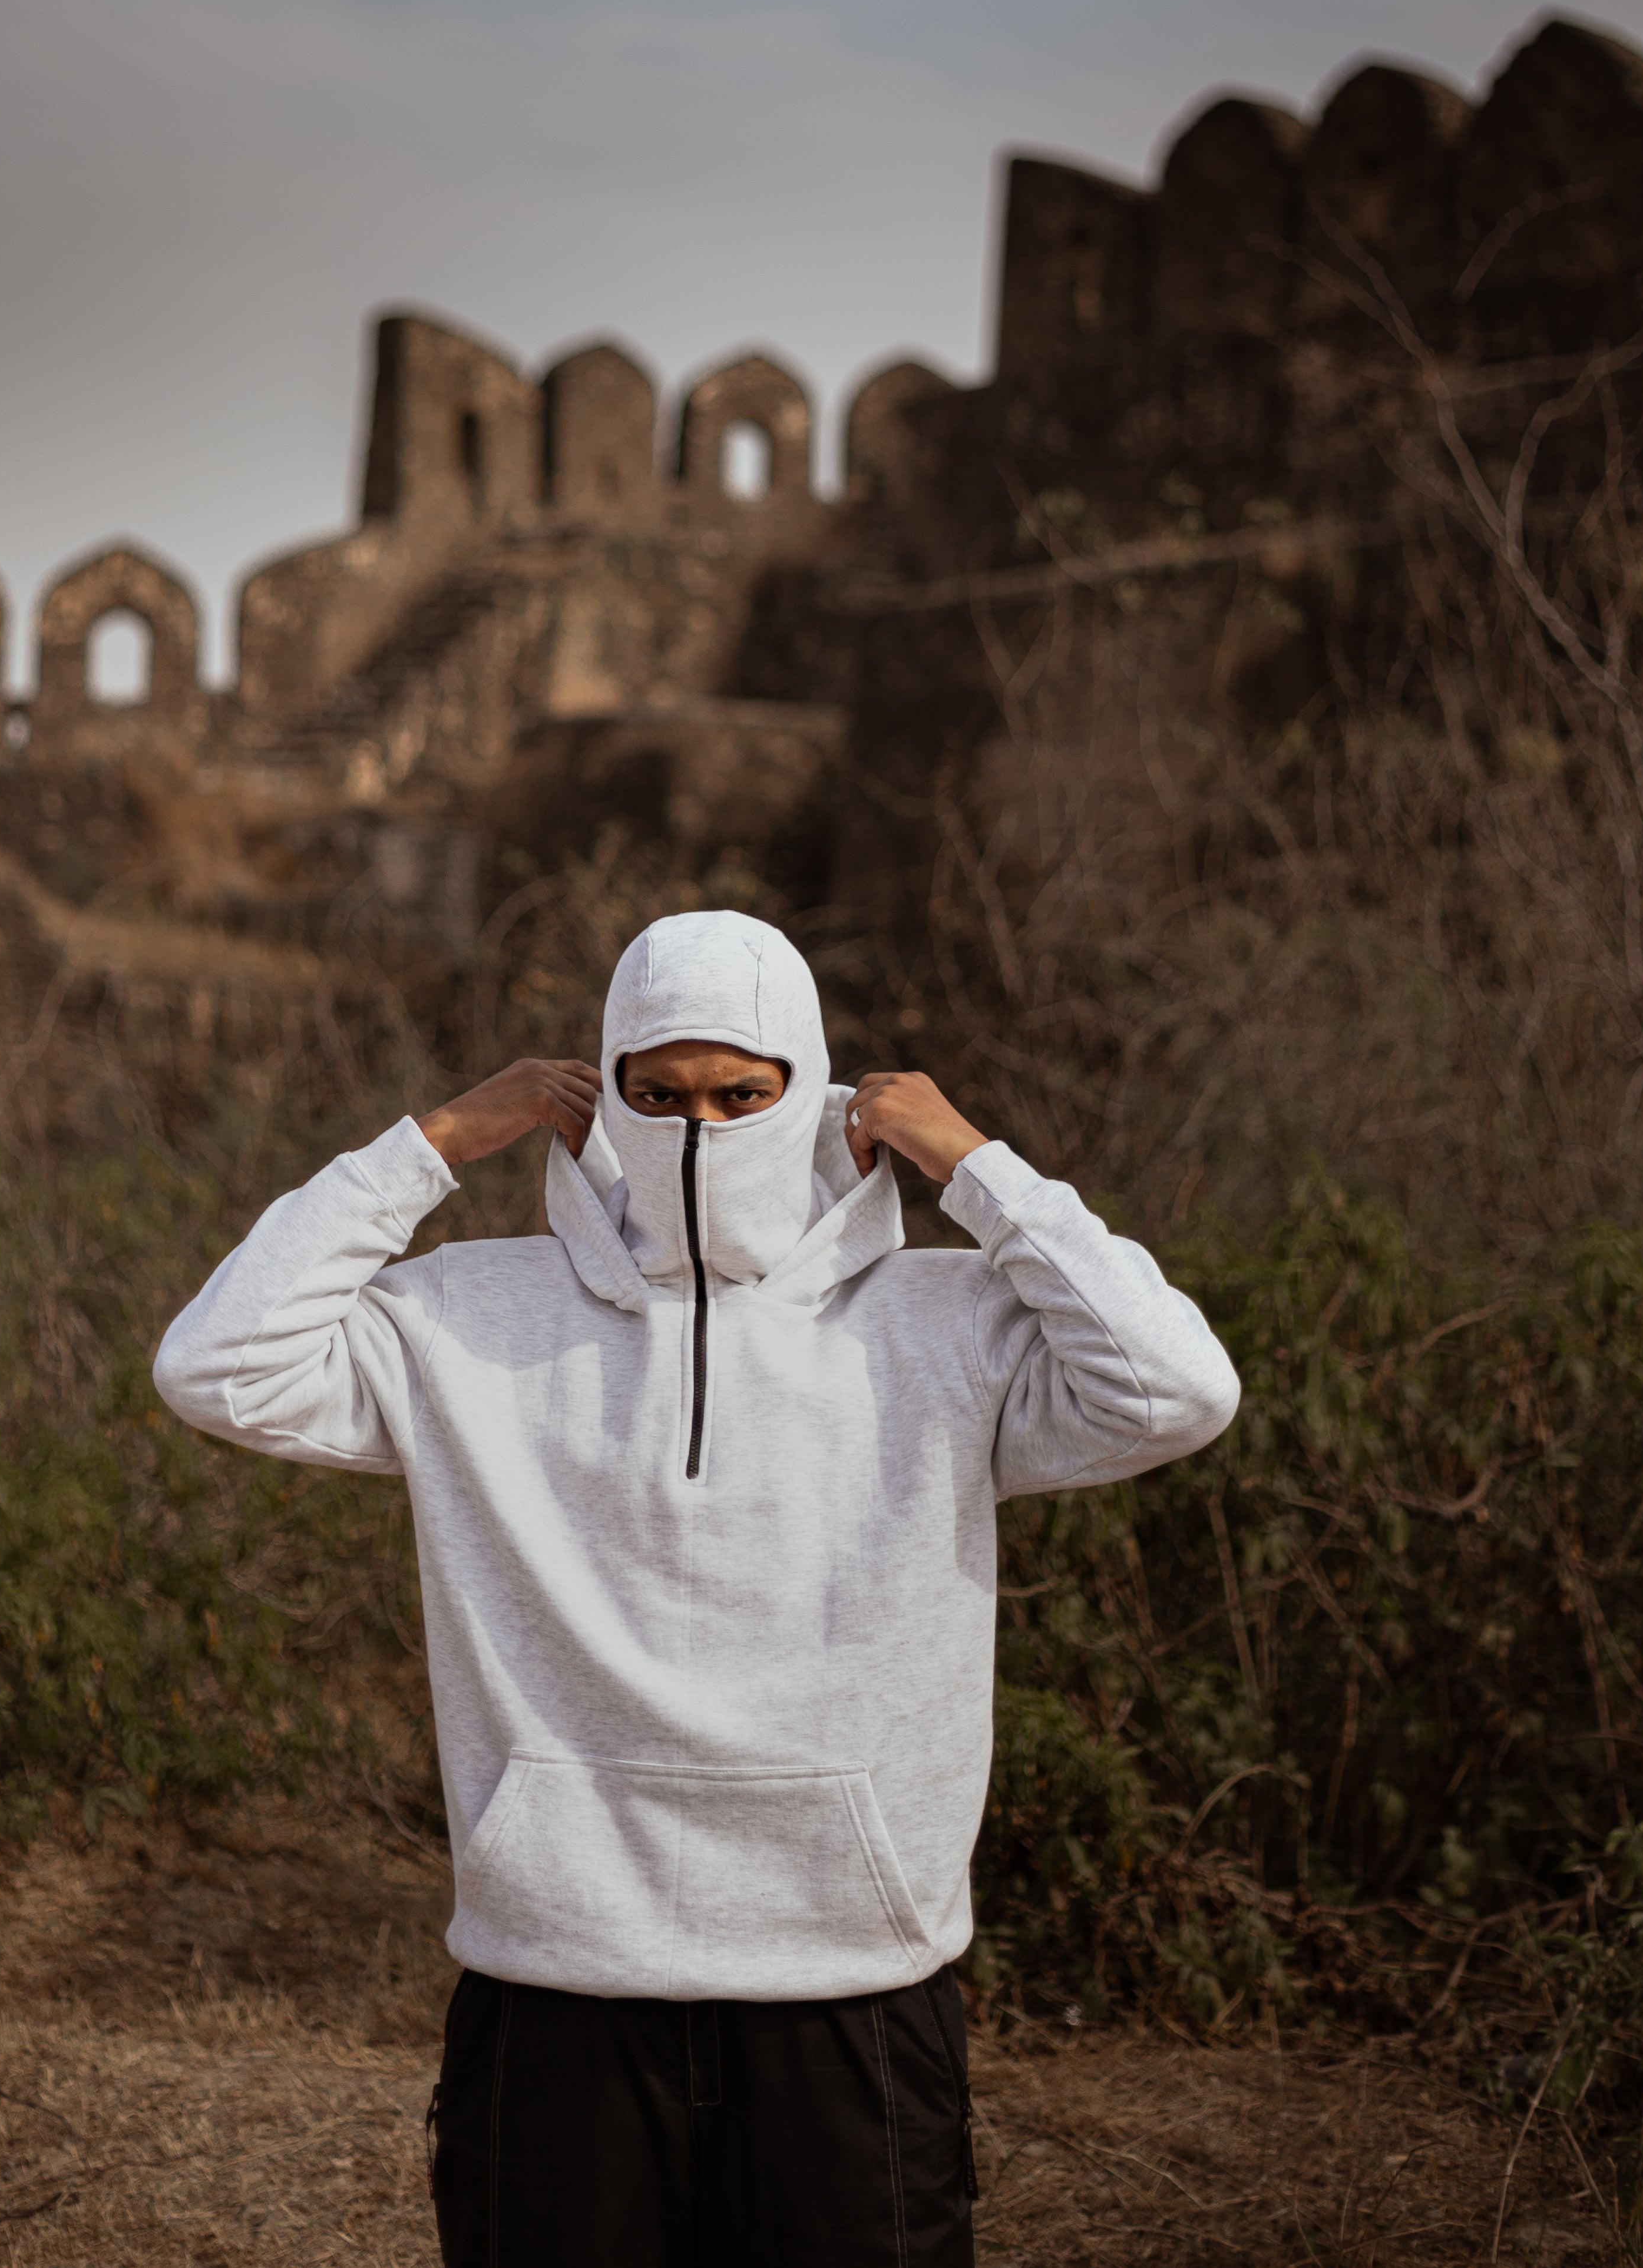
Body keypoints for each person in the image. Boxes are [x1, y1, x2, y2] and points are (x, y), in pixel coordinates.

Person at [154, 908, 1239, 2264]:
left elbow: (1177, 1390)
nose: (698, 1129)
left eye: (741, 1094)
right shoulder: (465, 1316)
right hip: (557, 1985)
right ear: (605, 1092)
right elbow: (215, 1366)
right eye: (657, 1095)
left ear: (812, 1089)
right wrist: (430, 1145)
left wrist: (974, 1165)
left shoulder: (949, 1322)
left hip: (848, 1988)